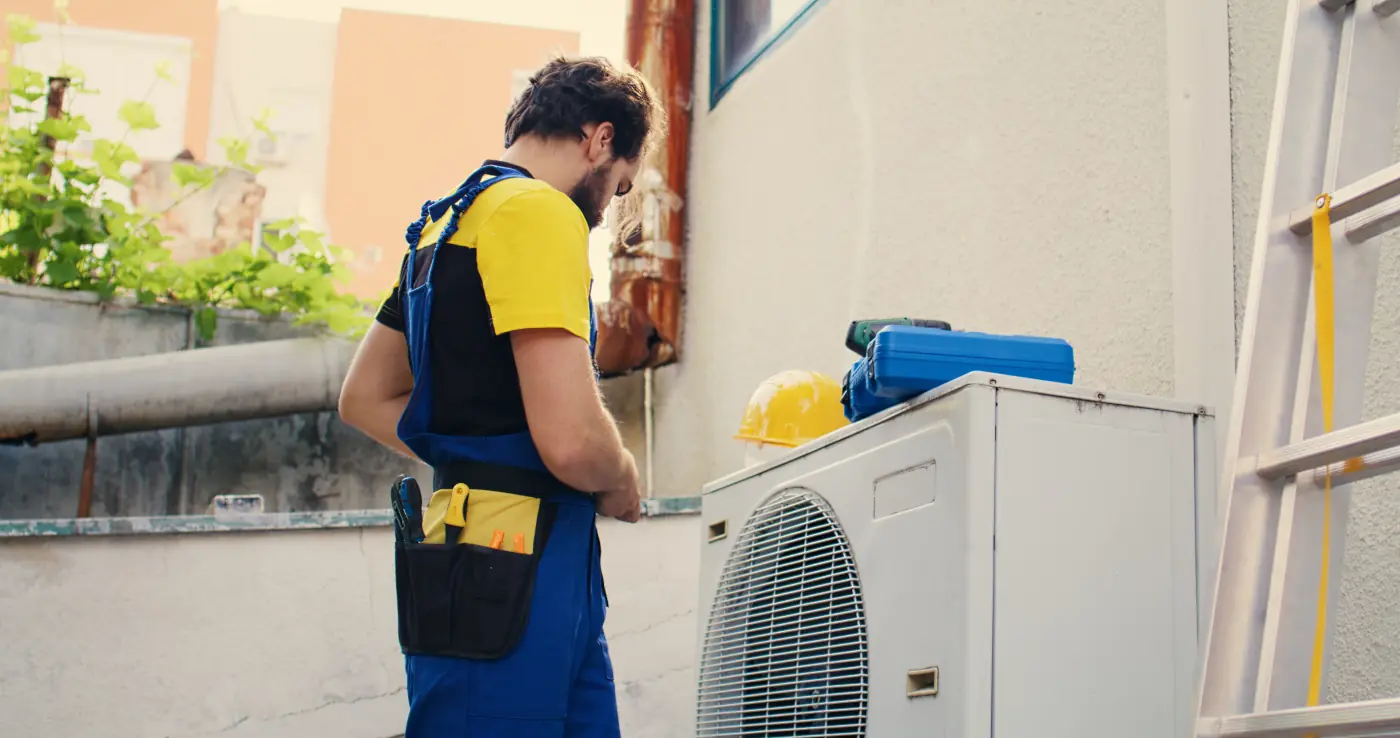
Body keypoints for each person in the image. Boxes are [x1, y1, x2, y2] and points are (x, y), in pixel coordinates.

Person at [338, 55, 665, 738]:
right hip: (517, 560)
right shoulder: (539, 212)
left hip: (472, 548)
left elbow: (366, 397)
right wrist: (621, 474)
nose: (607, 211)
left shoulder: (444, 226)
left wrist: (479, 459)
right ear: (600, 139)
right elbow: (574, 442)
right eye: (620, 185)